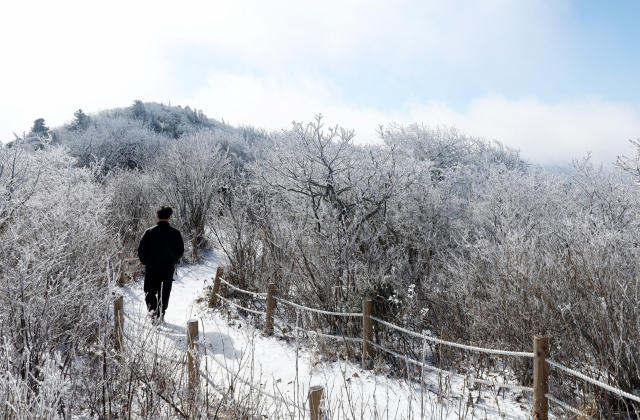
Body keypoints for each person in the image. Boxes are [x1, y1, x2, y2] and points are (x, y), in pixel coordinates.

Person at [138, 206, 184, 322]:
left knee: (150, 291)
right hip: (167, 269)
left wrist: (145, 262)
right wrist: (172, 260)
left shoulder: (149, 232)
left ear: (157, 216)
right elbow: (180, 250)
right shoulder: (175, 233)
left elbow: (141, 249)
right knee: (164, 292)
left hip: (151, 269)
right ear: (169, 217)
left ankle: (152, 311)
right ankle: (161, 313)